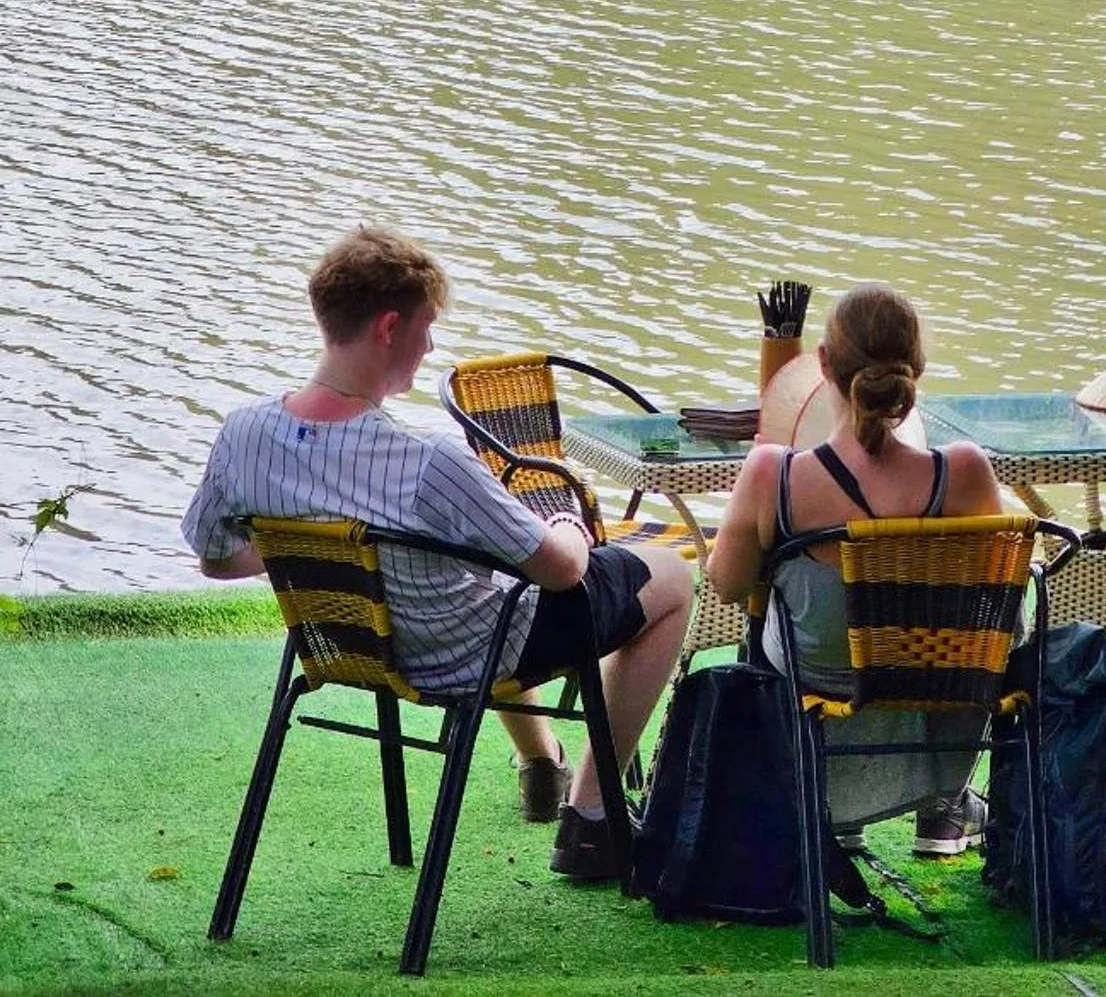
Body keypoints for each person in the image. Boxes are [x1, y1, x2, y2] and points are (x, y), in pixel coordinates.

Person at [181, 224, 693, 884]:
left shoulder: (243, 434)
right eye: (427, 328)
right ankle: (592, 819)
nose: (430, 346)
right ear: (389, 327)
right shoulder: (425, 459)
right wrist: (567, 522)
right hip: (460, 655)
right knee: (671, 578)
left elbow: (215, 558)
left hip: (345, 647)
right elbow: (561, 570)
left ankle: (541, 763)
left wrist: (306, 544)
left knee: (489, 573)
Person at [705, 283, 1009, 858]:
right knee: (981, 635)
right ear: (917, 367)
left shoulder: (775, 475)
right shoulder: (966, 472)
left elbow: (727, 584)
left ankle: (828, 806)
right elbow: (990, 599)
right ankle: (944, 805)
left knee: (784, 618)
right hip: (937, 685)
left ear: (823, 365)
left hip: (817, 682)